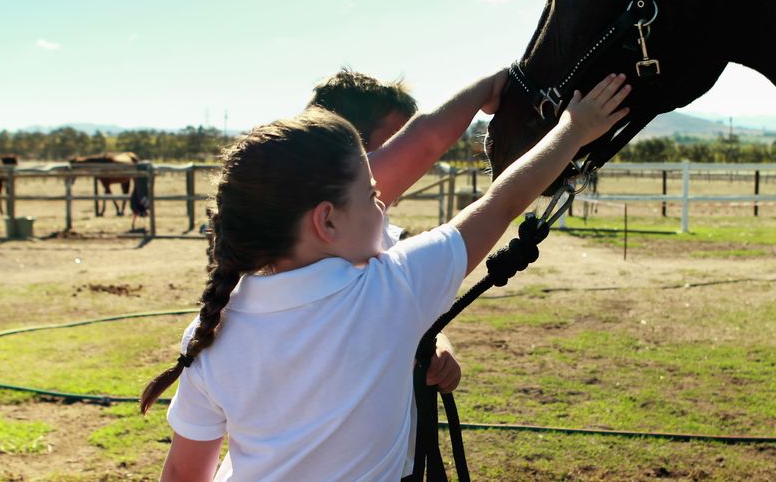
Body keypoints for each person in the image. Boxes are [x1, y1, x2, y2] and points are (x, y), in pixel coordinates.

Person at [142, 74, 631, 481]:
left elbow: (185, 474)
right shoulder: (392, 288)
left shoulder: (210, 333)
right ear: (327, 221)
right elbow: (501, 203)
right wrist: (573, 130)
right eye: (372, 193)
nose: (383, 202)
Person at [306, 67, 504, 394]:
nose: (409, 157)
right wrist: (491, 85)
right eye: (398, 139)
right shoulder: (325, 210)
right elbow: (428, 141)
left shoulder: (380, 233)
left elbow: (409, 313)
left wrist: (436, 344)